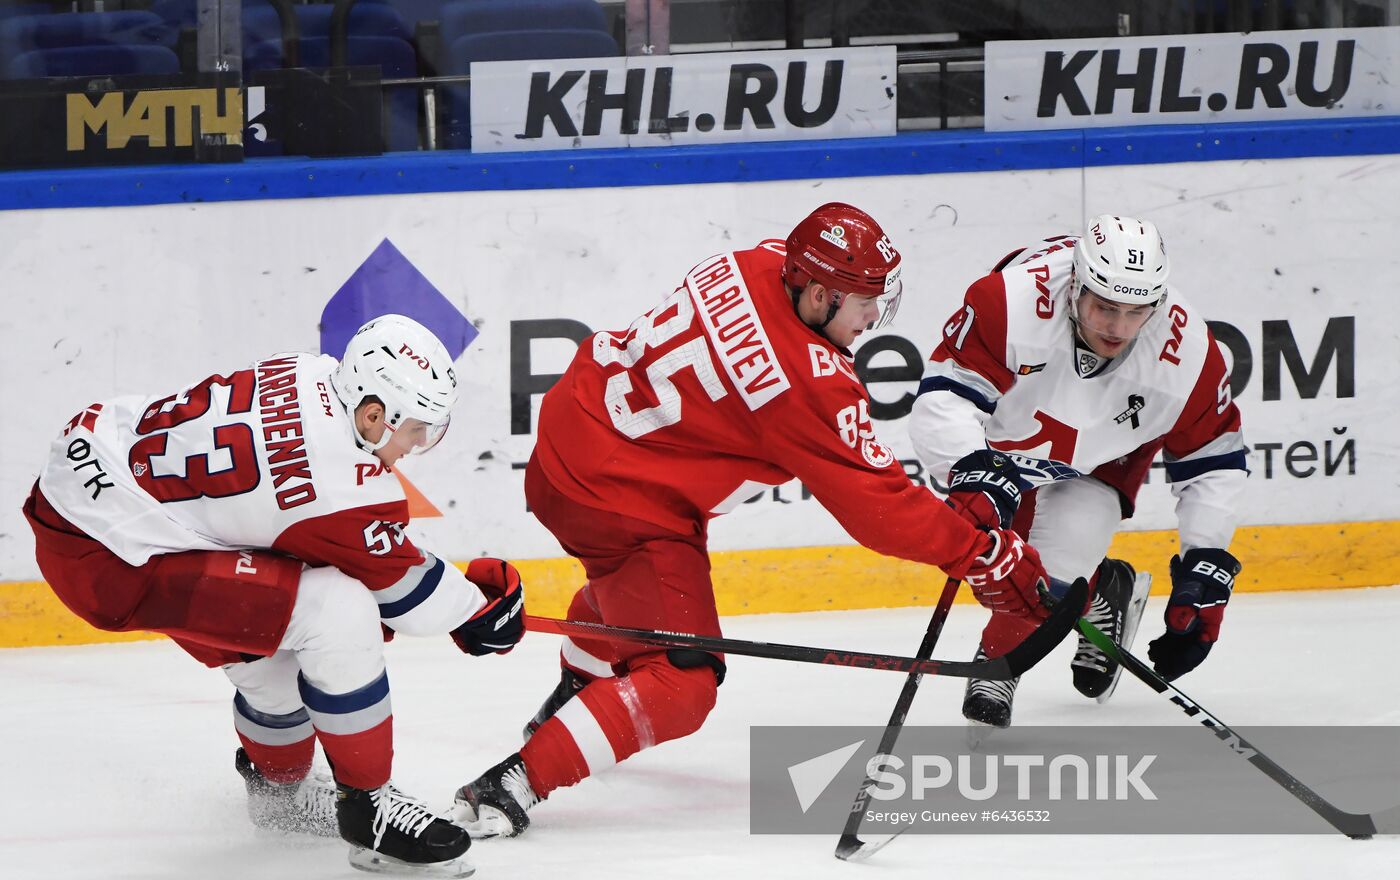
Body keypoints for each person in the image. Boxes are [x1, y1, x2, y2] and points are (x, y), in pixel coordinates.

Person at [450, 202, 1054, 838]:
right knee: (682, 681)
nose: (875, 316)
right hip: (621, 503)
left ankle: (573, 700)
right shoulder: (808, 382)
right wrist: (982, 553)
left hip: (564, 445)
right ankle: (513, 783)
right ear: (818, 294)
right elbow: (883, 510)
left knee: (636, 594)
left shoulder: (760, 260)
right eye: (863, 300)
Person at [22, 314, 525, 878]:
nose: (417, 446)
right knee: (337, 612)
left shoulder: (309, 372)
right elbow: (412, 598)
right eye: (417, 430)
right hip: (113, 555)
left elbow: (318, 524)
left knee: (278, 623)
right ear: (374, 415)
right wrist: (483, 609)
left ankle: (276, 794)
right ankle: (370, 809)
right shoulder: (341, 483)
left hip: (93, 472)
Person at [908, 215, 1247, 730]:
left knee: (1049, 578)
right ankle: (1105, 586)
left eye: (1136, 313)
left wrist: (1205, 558)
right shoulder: (1010, 303)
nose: (1117, 327)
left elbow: (1213, 459)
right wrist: (969, 471)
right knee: (992, 562)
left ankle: (1001, 660)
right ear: (1076, 285)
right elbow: (945, 399)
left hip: (1107, 452)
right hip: (1008, 437)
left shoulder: (1191, 357)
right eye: (1104, 307)